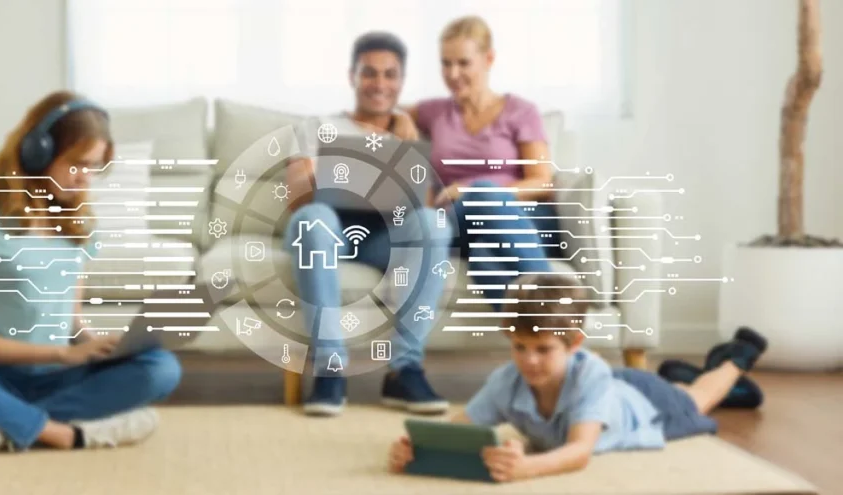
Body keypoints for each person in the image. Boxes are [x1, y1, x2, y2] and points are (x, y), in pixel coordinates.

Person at [0, 91, 182, 458]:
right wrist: (62, 354)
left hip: (58, 380)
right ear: (37, 153)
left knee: (161, 369)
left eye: (94, 167)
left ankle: (0, 428)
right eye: (77, 164)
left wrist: (101, 346)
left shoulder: (79, 227)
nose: (86, 179)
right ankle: (65, 433)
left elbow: (71, 321)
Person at [387, 273, 769, 482]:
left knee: (697, 400)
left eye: (543, 349)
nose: (529, 360)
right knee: (682, 387)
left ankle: (736, 359)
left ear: (574, 344)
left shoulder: (591, 375)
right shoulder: (508, 380)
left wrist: (527, 469)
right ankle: (685, 374)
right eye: (519, 347)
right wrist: (416, 448)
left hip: (644, 403)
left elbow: (579, 452)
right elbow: (461, 428)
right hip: (612, 390)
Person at [284, 32, 452, 417]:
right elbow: (296, 201)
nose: (380, 83)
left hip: (384, 235)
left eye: (390, 75)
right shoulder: (317, 126)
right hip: (329, 229)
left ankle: (404, 370)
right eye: (370, 73)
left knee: (434, 225)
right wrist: (329, 176)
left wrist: (401, 152)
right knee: (313, 219)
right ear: (352, 76)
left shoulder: (412, 134)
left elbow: (421, 208)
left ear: (401, 81)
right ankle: (330, 368)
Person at [405, 16, 561, 303]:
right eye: (445, 63)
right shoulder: (433, 112)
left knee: (484, 258)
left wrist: (473, 191)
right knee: (479, 203)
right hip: (460, 220)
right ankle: (560, 322)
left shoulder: (520, 112)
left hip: (523, 217)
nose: (452, 74)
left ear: (488, 59)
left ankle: (538, 340)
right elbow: (390, 119)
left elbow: (543, 182)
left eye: (463, 63)